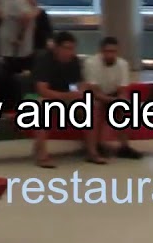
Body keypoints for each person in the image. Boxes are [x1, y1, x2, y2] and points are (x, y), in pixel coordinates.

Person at [31, 31, 105, 167]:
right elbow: (42, 90)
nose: (70, 52)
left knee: (92, 106)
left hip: (64, 96)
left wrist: (80, 90)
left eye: (72, 48)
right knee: (43, 107)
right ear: (56, 48)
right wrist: (66, 96)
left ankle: (92, 151)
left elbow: (75, 84)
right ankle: (41, 154)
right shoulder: (44, 60)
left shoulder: (74, 61)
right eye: (66, 48)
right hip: (36, 96)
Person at [82, 37, 142, 159]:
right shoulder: (91, 63)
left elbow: (122, 89)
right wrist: (114, 100)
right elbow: (94, 91)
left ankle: (124, 147)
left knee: (122, 109)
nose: (110, 55)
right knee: (95, 108)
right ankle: (94, 148)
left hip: (112, 95)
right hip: (93, 96)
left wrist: (119, 100)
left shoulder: (123, 64)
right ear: (101, 51)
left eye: (113, 51)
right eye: (107, 51)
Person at [0, 0, 38, 77]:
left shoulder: (17, 1)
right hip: (13, 51)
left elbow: (26, 18)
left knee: (13, 81)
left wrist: (19, 37)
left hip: (14, 52)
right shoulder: (18, 2)